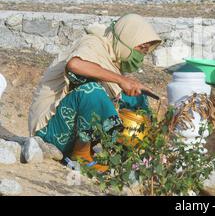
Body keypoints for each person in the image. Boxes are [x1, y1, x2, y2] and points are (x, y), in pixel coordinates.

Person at [28, 14, 161, 171]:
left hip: (74, 131)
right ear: (127, 39)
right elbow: (74, 65)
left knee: (137, 97)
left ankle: (134, 153)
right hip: (50, 134)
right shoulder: (93, 43)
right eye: (141, 48)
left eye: (145, 51)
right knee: (92, 92)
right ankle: (81, 155)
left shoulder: (112, 58)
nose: (141, 55)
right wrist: (121, 80)